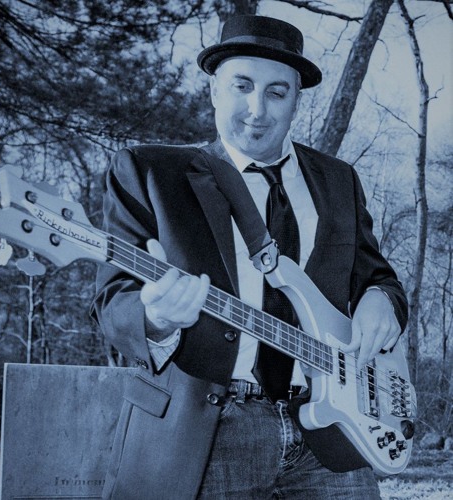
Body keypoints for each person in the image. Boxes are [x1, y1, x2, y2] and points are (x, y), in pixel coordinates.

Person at [92, 15, 408, 500]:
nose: (257, 109)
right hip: (207, 433)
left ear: (296, 101)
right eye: (242, 86)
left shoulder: (338, 179)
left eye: (277, 93)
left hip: (332, 435)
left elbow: (377, 276)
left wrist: (382, 299)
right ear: (214, 91)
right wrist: (155, 317)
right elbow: (113, 301)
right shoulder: (150, 172)